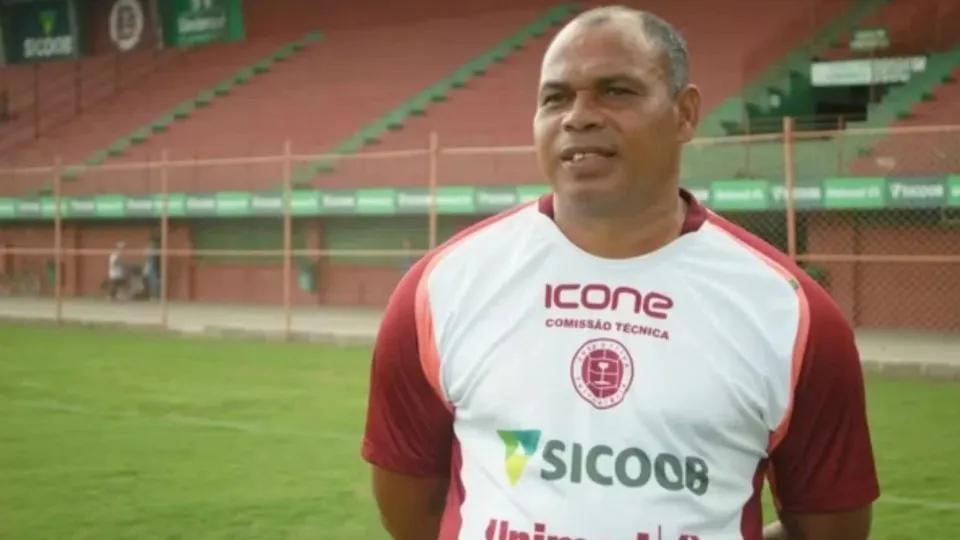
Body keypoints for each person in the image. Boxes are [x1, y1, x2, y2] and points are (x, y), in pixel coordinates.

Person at [362, 6, 879, 540]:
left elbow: (830, 530)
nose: (578, 117)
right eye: (555, 97)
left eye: (616, 91)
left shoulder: (791, 314)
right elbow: (411, 507)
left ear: (685, 114)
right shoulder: (442, 289)